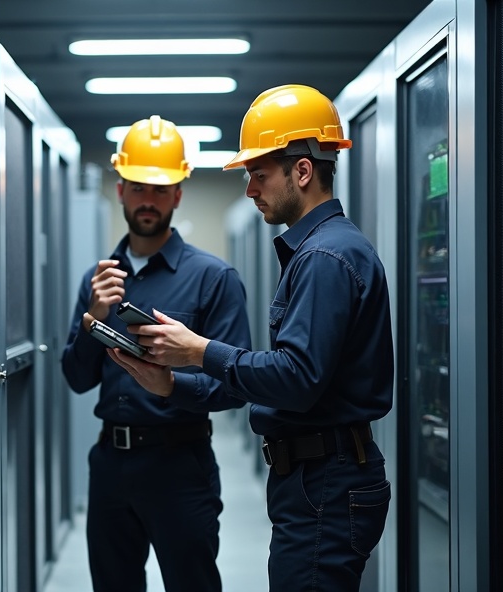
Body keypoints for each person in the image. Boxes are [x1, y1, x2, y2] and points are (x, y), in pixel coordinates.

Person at [116, 85, 394, 591]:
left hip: (325, 481)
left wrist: (199, 351)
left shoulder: (324, 259)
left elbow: (297, 378)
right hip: (318, 477)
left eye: (258, 174)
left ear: (303, 171)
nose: (249, 189)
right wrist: (173, 383)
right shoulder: (323, 251)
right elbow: (290, 375)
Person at [61, 115, 252, 592]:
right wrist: (93, 314)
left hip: (179, 463)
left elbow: (236, 385)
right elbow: (77, 377)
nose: (148, 199)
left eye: (161, 189)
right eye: (138, 186)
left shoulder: (214, 278)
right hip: (110, 463)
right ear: (120, 189)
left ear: (178, 195)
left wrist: (170, 384)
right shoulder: (97, 279)